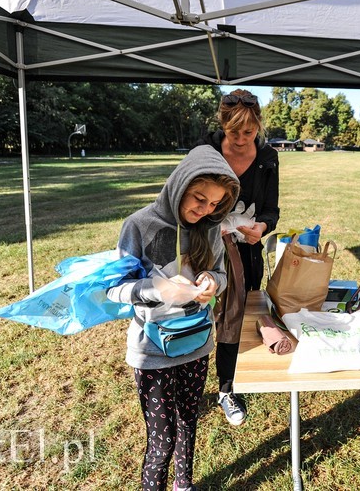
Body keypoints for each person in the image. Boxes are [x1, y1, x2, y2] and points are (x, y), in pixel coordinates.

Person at [106, 145, 240, 491]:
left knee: (188, 424)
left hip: (196, 345)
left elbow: (221, 273)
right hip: (153, 351)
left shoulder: (210, 228)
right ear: (179, 185)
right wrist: (160, 289)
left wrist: (214, 281)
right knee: (162, 441)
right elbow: (114, 289)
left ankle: (183, 485)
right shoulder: (138, 225)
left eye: (215, 204)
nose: (205, 210)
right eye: (199, 198)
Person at [194, 89, 280, 426]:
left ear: (259, 125)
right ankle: (189, 386)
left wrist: (262, 227)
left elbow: (271, 209)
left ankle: (226, 389)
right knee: (196, 317)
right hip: (203, 252)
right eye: (234, 132)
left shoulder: (268, 157)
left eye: (249, 131)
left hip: (246, 255)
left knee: (234, 321)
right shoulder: (205, 151)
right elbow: (186, 197)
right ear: (222, 124)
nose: (242, 140)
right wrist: (208, 225)